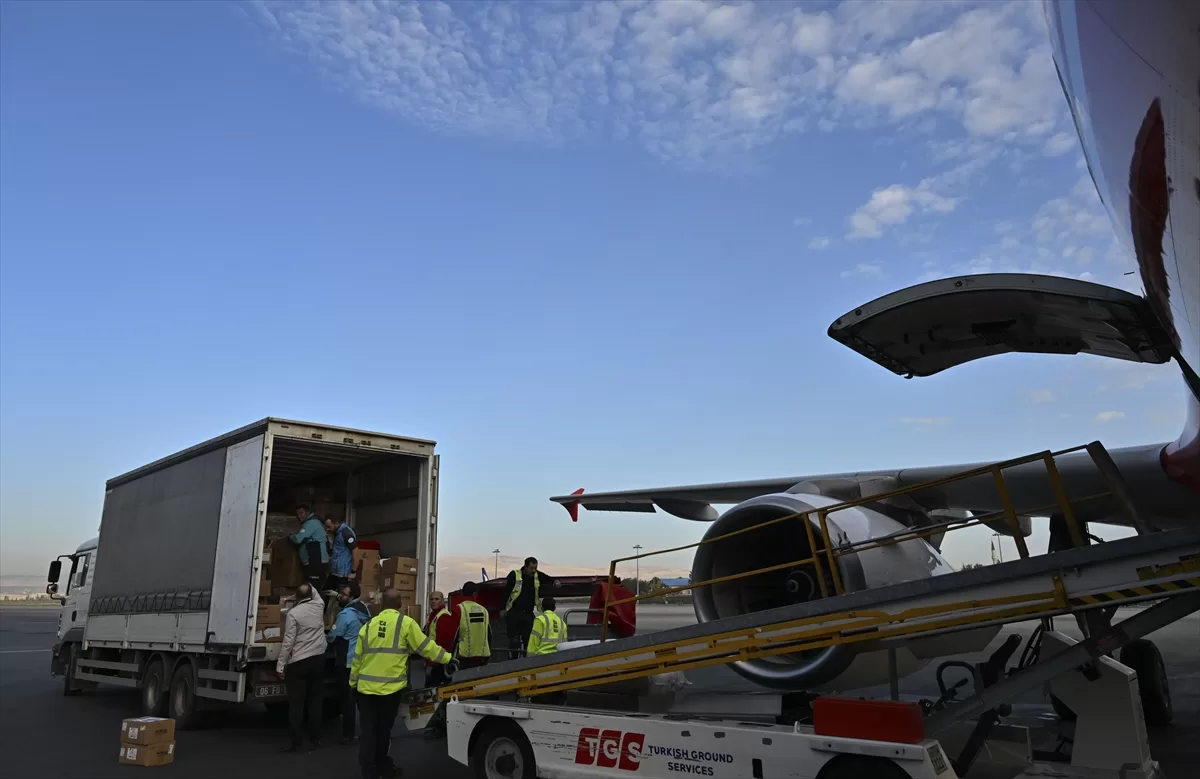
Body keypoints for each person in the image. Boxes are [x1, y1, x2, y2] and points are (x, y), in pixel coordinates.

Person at [351, 588, 453, 779]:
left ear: (382, 605)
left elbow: (357, 657)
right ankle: (381, 766)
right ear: (400, 604)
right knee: (383, 731)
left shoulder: (369, 625)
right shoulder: (405, 623)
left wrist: (353, 685)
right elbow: (426, 647)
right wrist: (448, 658)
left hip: (365, 689)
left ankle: (367, 771)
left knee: (368, 732)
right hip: (389, 691)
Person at [277, 583, 327, 753]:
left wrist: (281, 665)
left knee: (296, 705)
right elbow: (315, 590)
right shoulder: (319, 605)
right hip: (319, 659)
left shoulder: (293, 613)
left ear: (296, 597)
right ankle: (315, 740)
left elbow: (289, 641)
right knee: (315, 702)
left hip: (299, 661)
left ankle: (295, 743)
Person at [327, 582, 372, 745]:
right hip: (361, 662)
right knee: (361, 700)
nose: (340, 596)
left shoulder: (346, 615)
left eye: (344, 594)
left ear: (351, 597)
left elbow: (334, 637)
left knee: (347, 700)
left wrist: (325, 635)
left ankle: (347, 734)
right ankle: (369, 731)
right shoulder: (365, 611)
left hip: (346, 662)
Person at [501, 557, 558, 658]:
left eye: (535, 568)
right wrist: (502, 608)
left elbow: (548, 579)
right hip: (514, 611)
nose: (533, 571)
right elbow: (506, 592)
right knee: (514, 640)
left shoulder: (537, 575)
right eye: (531, 568)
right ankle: (513, 660)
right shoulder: (515, 575)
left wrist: (555, 582)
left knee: (528, 639)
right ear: (525, 567)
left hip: (528, 612)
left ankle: (525, 659)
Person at [422, 591, 459, 688]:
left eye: (436, 599)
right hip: (433, 660)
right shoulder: (433, 616)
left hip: (439, 663)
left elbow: (445, 643)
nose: (433, 601)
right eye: (431, 599)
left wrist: (433, 663)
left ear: (442, 601)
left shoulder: (444, 616)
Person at [290, 505, 329, 590]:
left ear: (308, 513)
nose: (299, 516)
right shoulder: (311, 523)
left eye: (301, 513)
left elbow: (298, 539)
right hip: (315, 560)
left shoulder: (311, 523)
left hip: (316, 560)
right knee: (313, 586)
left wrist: (291, 536)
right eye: (297, 514)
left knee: (313, 587)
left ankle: (316, 603)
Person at [455, 581, 492, 670]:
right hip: (482, 656)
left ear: (462, 593)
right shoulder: (484, 610)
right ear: (475, 594)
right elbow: (489, 634)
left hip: (464, 657)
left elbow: (453, 635)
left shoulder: (459, 609)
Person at [324, 516, 358, 591]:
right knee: (326, 593)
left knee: (341, 596)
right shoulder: (336, 533)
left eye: (329, 526)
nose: (327, 529)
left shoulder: (346, 532)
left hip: (343, 574)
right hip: (334, 572)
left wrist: (353, 571)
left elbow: (355, 551)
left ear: (336, 524)